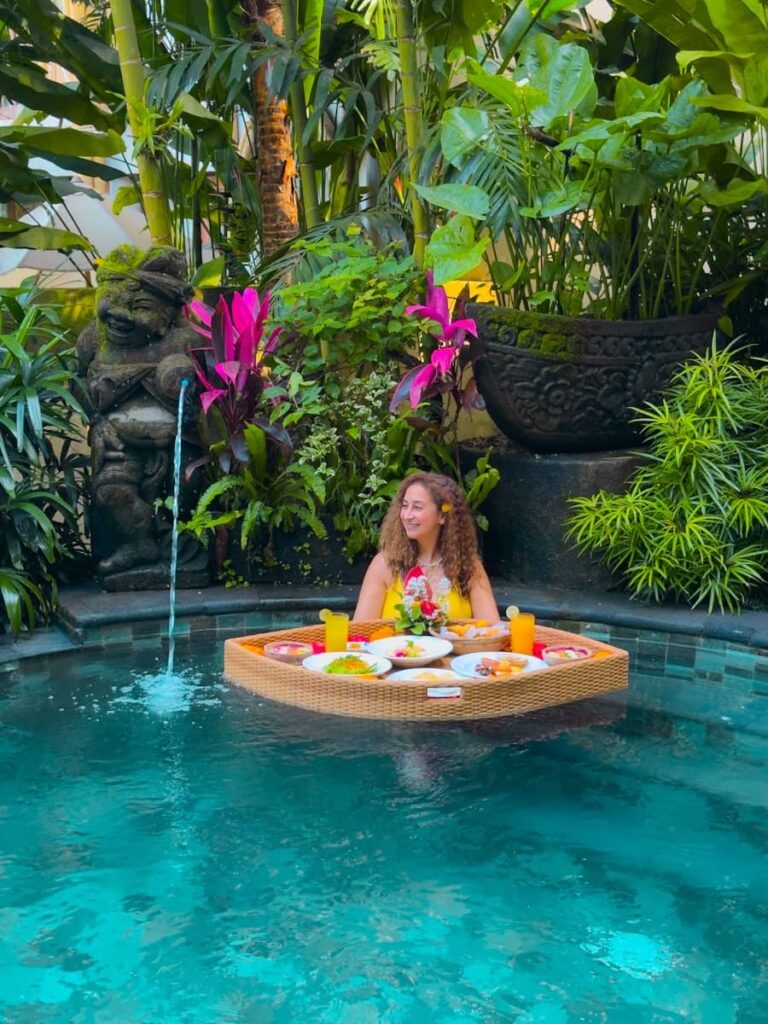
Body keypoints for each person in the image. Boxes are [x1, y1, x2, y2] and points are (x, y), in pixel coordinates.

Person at [353, 472, 500, 622]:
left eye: (417, 507)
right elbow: (360, 631)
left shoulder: (469, 567)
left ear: (442, 516)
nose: (407, 515)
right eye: (404, 505)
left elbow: (493, 629)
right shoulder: (384, 564)